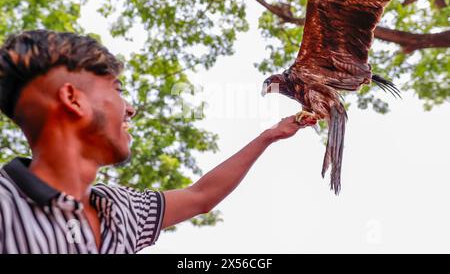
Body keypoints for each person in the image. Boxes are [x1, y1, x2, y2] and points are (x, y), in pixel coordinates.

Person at [0, 30, 316, 254]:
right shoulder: (6, 208)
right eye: (117, 88)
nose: (131, 108)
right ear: (72, 99)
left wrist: (269, 136)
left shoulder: (120, 210)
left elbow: (200, 196)